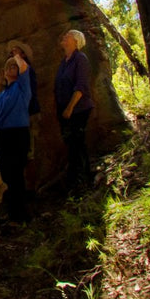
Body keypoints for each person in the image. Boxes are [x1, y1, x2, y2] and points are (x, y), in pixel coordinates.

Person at [0, 52, 32, 222]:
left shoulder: (22, 86)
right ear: (3, 72)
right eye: (8, 67)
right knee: (7, 175)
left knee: (16, 174)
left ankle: (21, 215)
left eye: (13, 66)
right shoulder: (1, 96)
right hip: (3, 136)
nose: (11, 68)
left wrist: (16, 55)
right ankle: (14, 213)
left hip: (18, 134)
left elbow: (24, 68)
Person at [54, 29, 94, 194]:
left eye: (68, 35)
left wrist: (70, 107)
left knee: (77, 143)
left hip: (78, 108)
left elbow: (81, 85)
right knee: (71, 144)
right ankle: (77, 181)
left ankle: (85, 180)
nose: (64, 36)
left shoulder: (80, 59)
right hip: (65, 111)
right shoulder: (64, 62)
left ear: (76, 41)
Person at [7, 39, 41, 192]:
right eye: (11, 52)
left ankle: (31, 189)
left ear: (23, 54)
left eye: (16, 51)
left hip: (29, 116)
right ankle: (22, 189)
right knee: (20, 155)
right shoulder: (13, 79)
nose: (13, 54)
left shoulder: (26, 70)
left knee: (29, 154)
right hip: (18, 121)